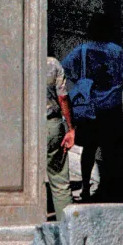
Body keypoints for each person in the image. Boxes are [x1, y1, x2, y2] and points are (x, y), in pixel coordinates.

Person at [60, 18, 123, 203]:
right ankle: (109, 187)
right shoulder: (116, 51)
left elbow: (65, 68)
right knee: (111, 149)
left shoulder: (83, 50)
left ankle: (86, 187)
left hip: (90, 106)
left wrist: (81, 82)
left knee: (89, 149)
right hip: (112, 106)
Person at [46, 55, 75, 218]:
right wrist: (71, 128)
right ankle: (67, 228)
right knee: (59, 180)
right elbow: (62, 97)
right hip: (50, 124)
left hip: (20, 126)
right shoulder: (52, 63)